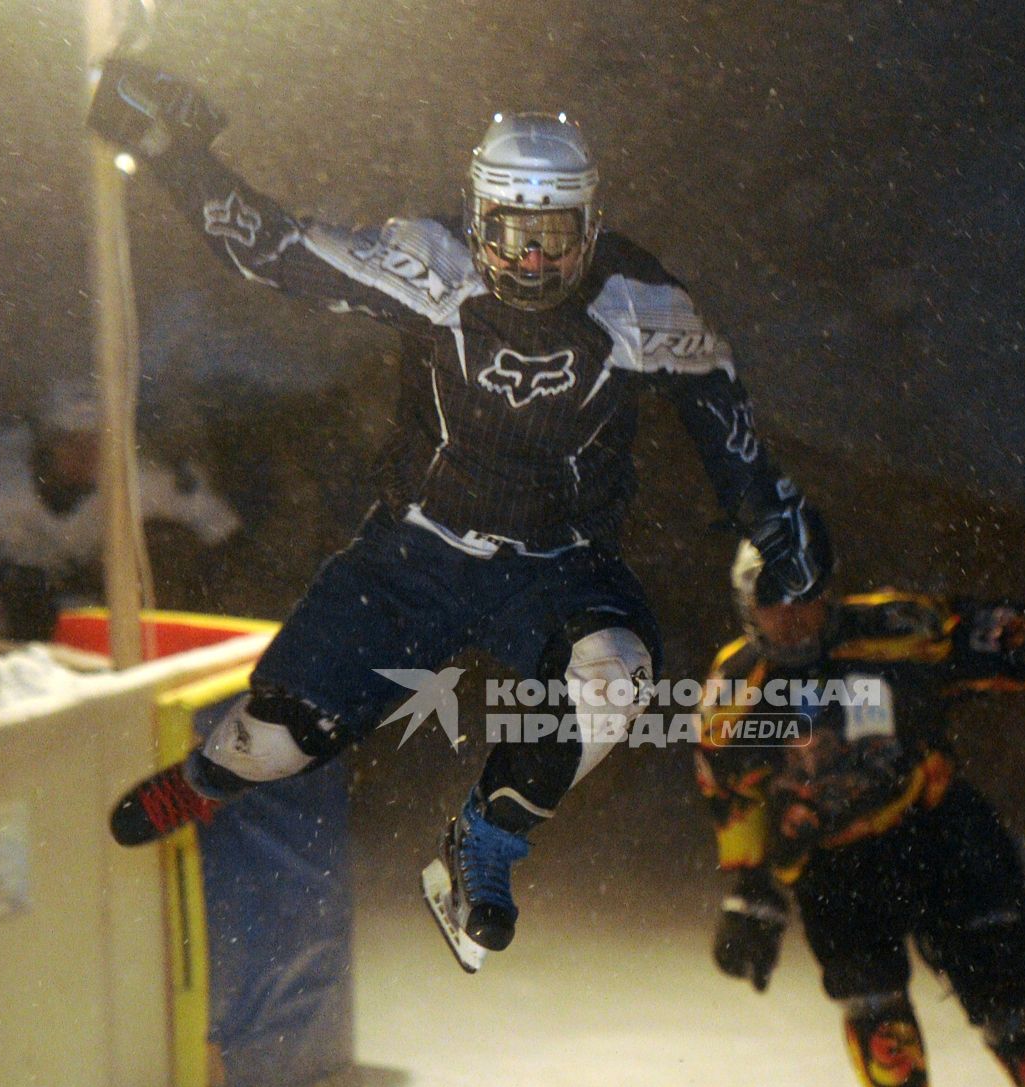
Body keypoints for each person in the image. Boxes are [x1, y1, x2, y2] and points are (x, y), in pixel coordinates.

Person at [88, 59, 829, 969]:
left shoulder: (643, 302)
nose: (533, 259)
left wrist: (772, 510)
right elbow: (273, 250)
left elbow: (716, 405)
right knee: (274, 743)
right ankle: (209, 779)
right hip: (413, 553)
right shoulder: (427, 265)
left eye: (555, 236)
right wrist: (171, 153)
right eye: (514, 233)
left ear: (592, 224)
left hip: (559, 564)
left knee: (618, 683)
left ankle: (485, 839)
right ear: (479, 219)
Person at [695, 541, 1025, 1087]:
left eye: (805, 593)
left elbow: (996, 634)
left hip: (937, 832)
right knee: (880, 1021)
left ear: (828, 590)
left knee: (1007, 999)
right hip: (836, 865)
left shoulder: (891, 628)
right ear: (747, 605)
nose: (793, 613)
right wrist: (749, 889)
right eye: (773, 599)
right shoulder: (735, 690)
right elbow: (731, 793)